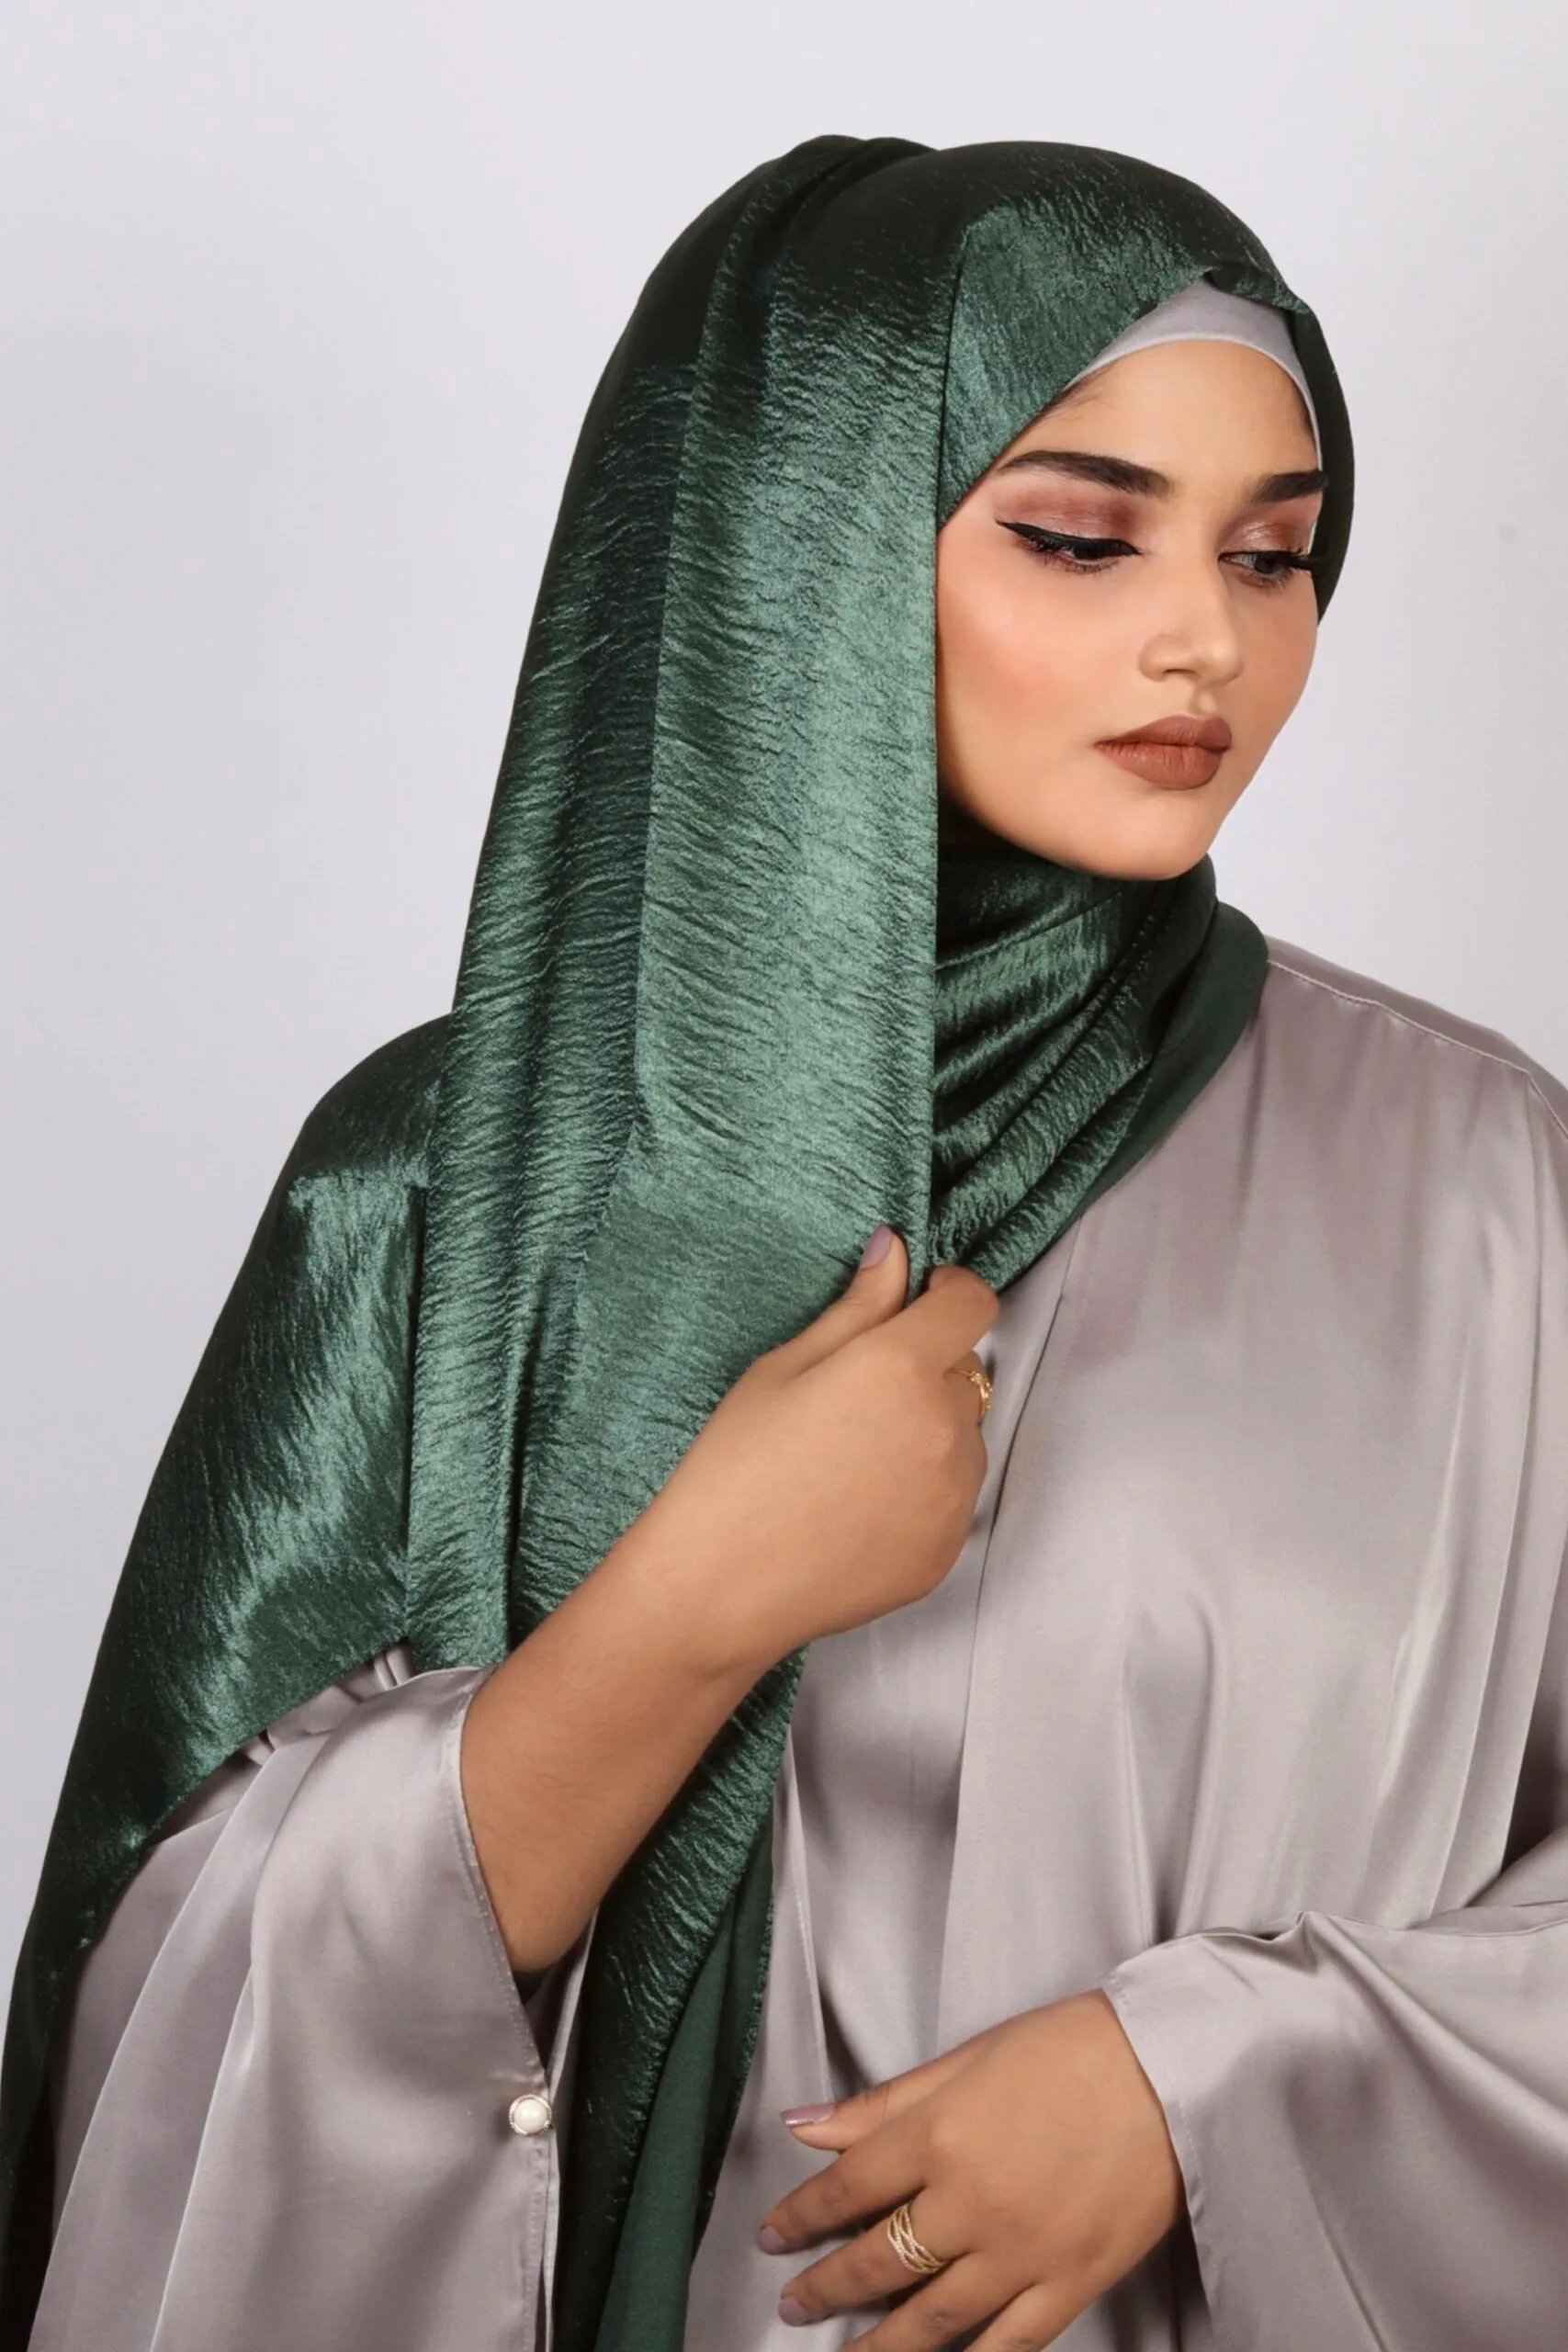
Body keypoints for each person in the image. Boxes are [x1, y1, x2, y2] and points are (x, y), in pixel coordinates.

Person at [4, 129, 1568, 2352]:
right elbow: (160, 2025)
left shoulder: (1482, 1179)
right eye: (1076, 535)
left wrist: (1211, 2076)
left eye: (1274, 553)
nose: (1203, 637)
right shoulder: (450, 1180)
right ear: (807, 540)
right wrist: (687, 1604)